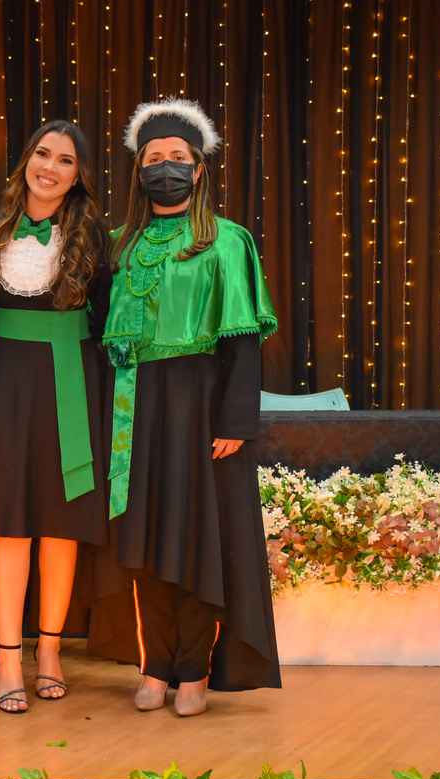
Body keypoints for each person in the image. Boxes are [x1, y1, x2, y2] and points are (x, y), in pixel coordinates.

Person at [91, 97, 281, 717]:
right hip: (132, 406)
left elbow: (243, 340)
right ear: (139, 170)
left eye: (177, 157)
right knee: (143, 539)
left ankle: (195, 671)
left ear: (198, 169)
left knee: (198, 540)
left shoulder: (227, 241)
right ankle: (155, 666)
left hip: (201, 404)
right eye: (154, 157)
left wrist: (235, 419)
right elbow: (96, 335)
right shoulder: (117, 245)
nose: (165, 167)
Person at [0, 121, 111, 714]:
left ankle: (49, 653)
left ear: (79, 176)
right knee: (9, 523)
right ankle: (7, 661)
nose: (50, 167)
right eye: (42, 154)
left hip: (70, 381)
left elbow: (106, 318)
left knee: (60, 522)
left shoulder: (94, 236)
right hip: (4, 384)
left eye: (65, 160)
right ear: (26, 160)